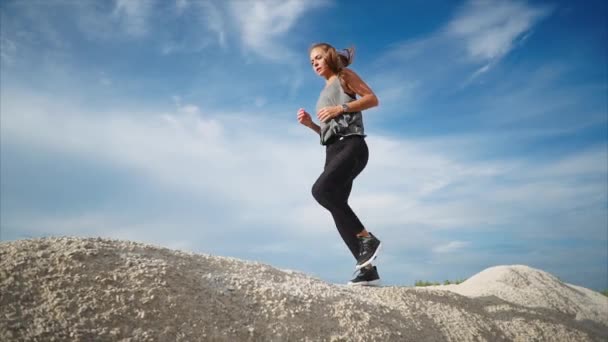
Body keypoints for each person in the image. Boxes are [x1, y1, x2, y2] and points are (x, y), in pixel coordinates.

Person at [297, 43, 382, 286]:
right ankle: (367, 268)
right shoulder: (324, 91)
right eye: (311, 60)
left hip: (352, 146)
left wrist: (340, 107)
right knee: (337, 206)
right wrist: (311, 125)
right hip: (333, 150)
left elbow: (372, 99)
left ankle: (367, 239)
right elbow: (328, 132)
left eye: (318, 57)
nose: (314, 62)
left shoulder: (344, 76)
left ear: (330, 56)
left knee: (321, 191)